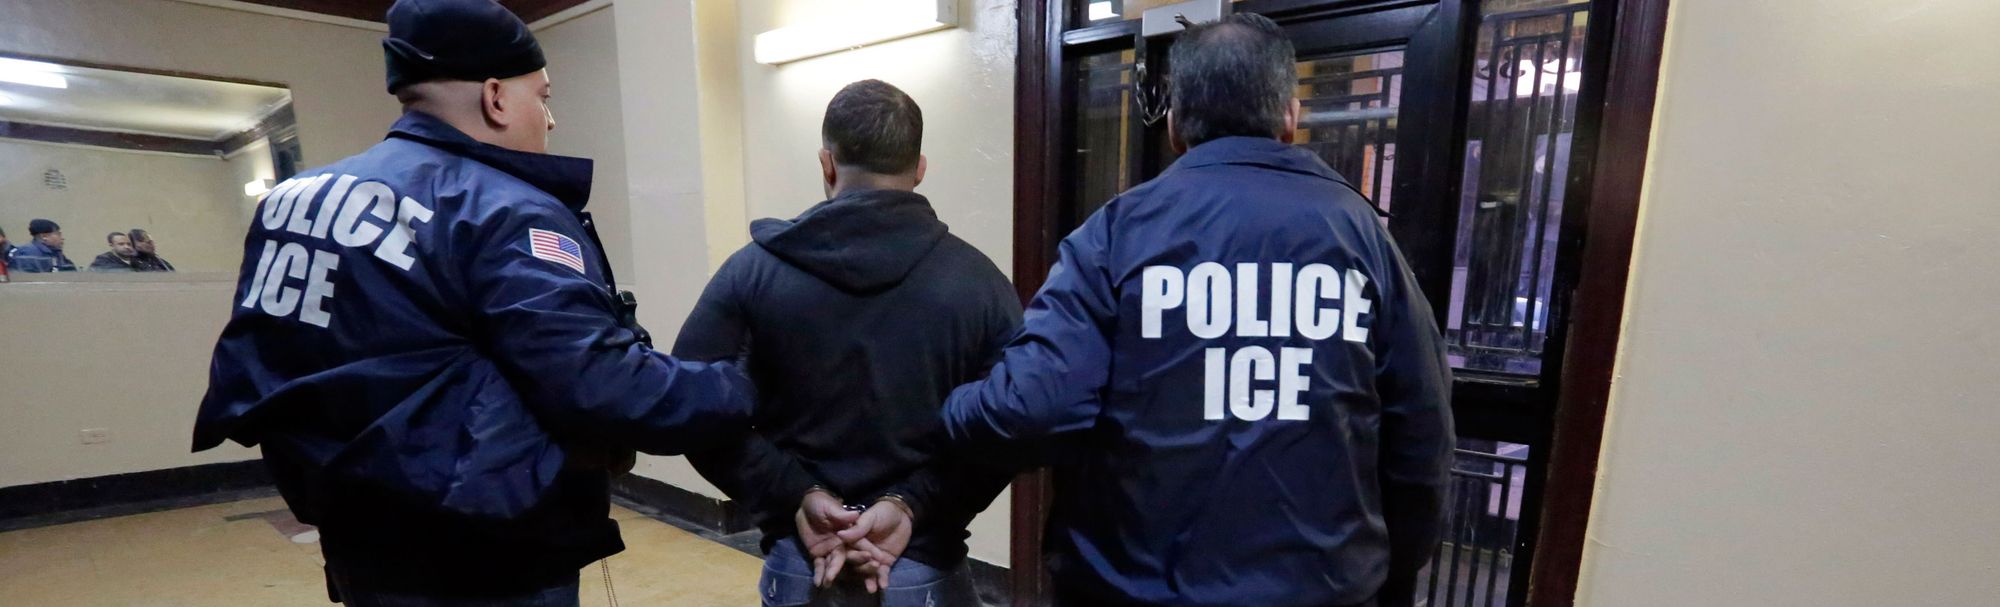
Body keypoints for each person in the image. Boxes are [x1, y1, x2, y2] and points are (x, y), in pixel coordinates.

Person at [191, 1, 754, 605]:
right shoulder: (503, 207)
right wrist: (746, 387)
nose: (551, 119)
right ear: (496, 98)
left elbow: (263, 366)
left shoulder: (293, 200)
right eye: (543, 96)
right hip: (484, 556)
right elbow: (603, 386)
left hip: (359, 537)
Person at [937, 14, 1455, 607]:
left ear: (1176, 124)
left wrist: (946, 407)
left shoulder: (1115, 234)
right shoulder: (1364, 238)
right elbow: (1422, 437)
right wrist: (1390, 572)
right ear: (1290, 116)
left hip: (1132, 589)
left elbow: (1033, 409)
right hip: (1322, 591)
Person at [675, 80, 1020, 607]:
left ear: (827, 163)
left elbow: (686, 406)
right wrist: (911, 503)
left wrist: (797, 494)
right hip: (923, 568)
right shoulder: (980, 283)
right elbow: (1015, 425)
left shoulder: (751, 273)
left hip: (802, 561)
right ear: (920, 167)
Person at [12, 218, 77, 272]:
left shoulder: (56, 253)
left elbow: (71, 273)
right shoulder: (27, 253)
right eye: (58, 234)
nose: (62, 238)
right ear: (44, 236)